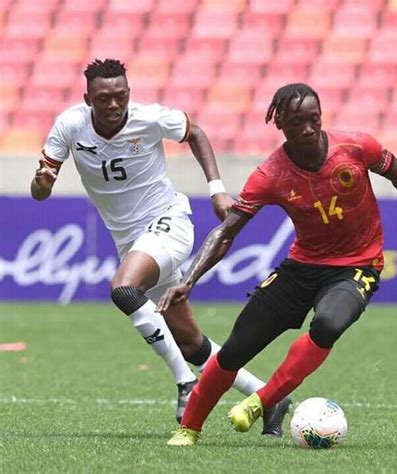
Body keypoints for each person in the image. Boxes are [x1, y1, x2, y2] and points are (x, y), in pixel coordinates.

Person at [159, 83, 397, 446]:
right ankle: (189, 428)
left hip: (357, 266)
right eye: (296, 123)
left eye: (313, 120)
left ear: (321, 117)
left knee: (328, 322)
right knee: (238, 345)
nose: (306, 129)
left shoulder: (355, 147)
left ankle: (262, 401)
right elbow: (226, 232)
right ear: (280, 125)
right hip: (301, 266)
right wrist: (189, 281)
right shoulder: (270, 174)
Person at [30, 58, 290, 434]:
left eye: (120, 95)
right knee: (191, 343)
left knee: (124, 288)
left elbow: (196, 133)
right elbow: (41, 192)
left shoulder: (149, 118)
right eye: (104, 98)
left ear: (129, 94)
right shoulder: (70, 126)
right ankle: (269, 396)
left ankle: (185, 382)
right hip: (131, 241)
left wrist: (217, 191)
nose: (114, 104)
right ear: (88, 99)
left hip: (168, 223)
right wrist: (42, 181)